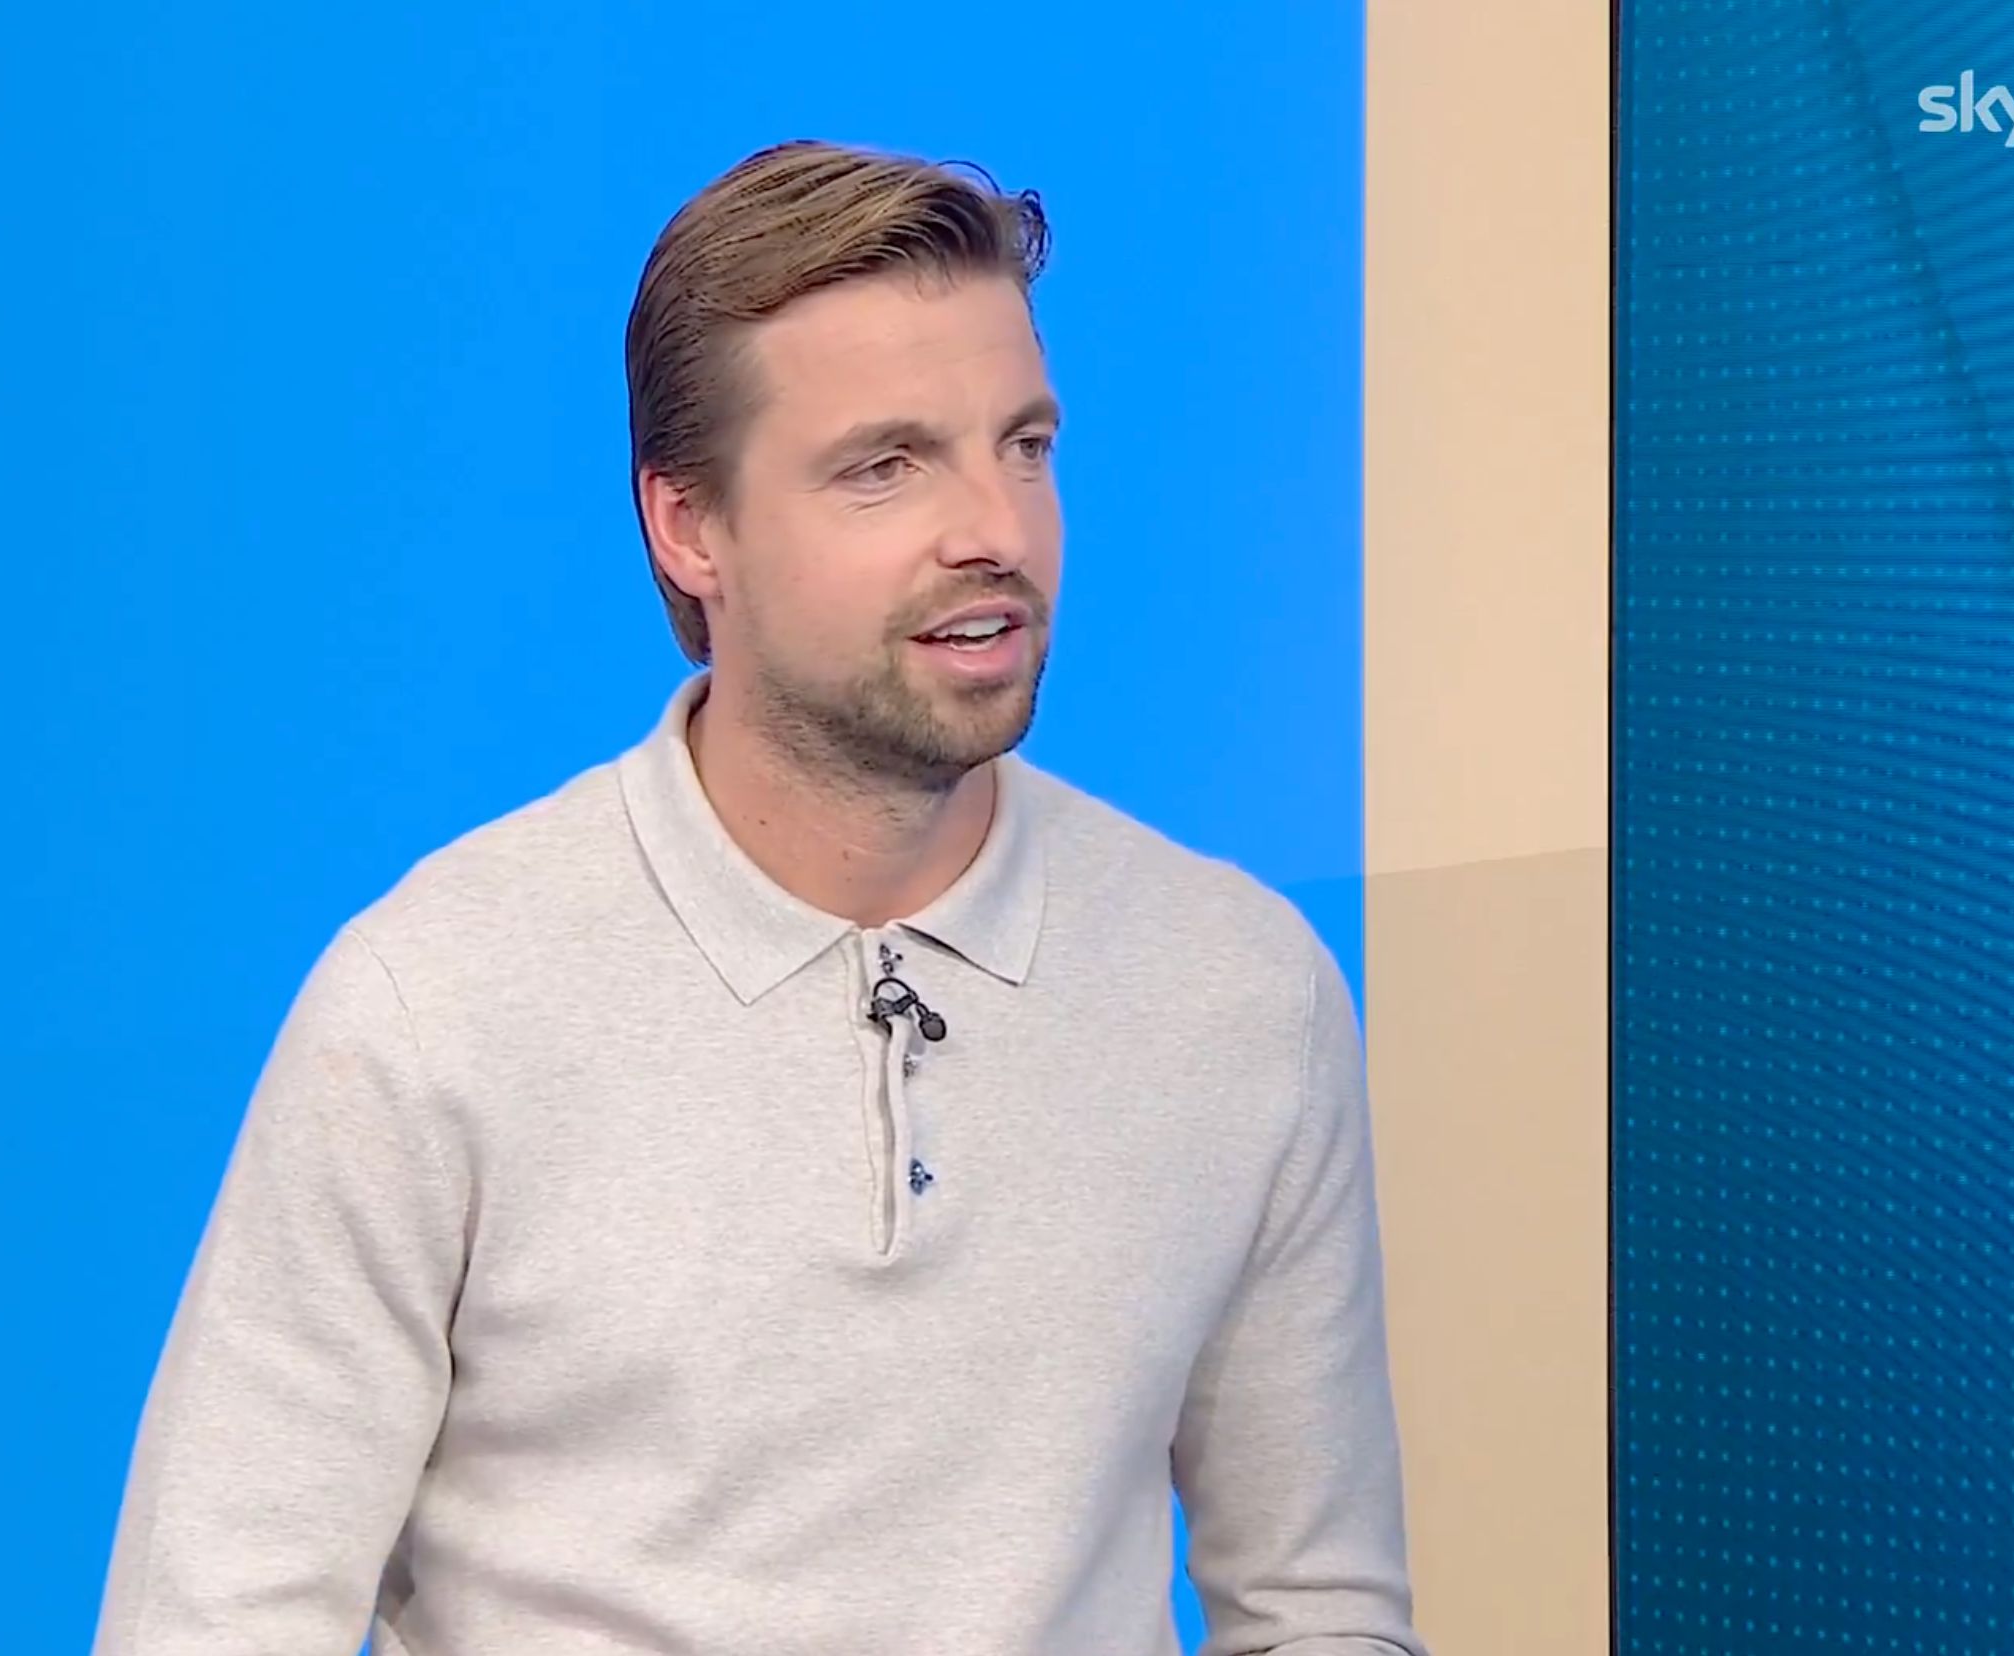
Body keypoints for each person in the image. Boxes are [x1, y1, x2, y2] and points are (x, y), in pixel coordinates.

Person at [93, 138, 1425, 1656]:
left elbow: (1319, 1608)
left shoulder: (1240, 991)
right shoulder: (432, 1008)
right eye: (885, 465)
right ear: (689, 528)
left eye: (1023, 445)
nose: (993, 529)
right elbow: (213, 1624)